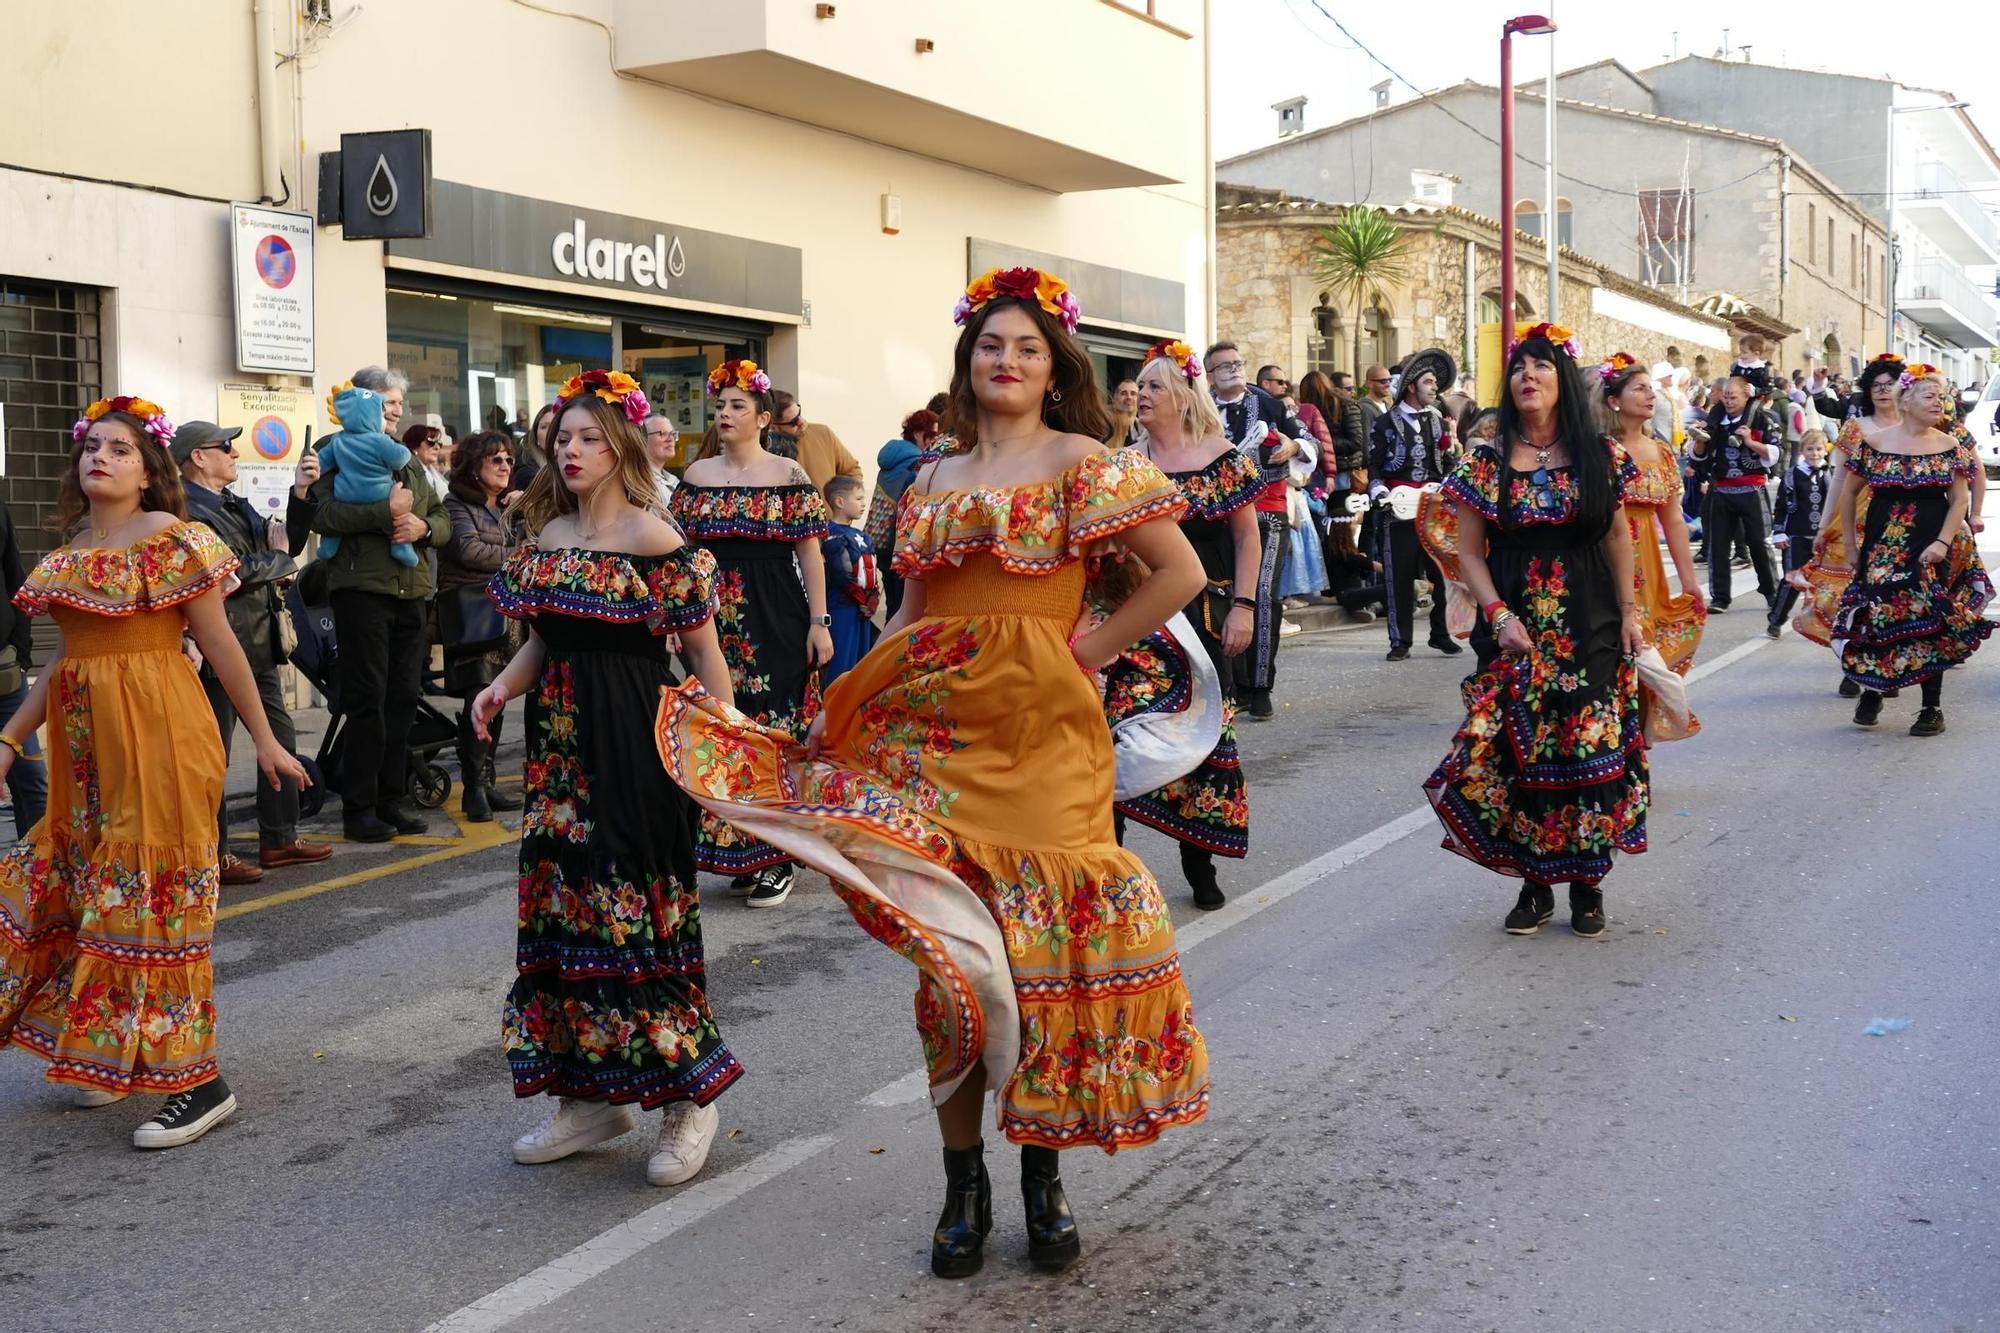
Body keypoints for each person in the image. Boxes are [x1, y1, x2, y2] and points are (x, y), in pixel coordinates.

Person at [656, 264, 1209, 1277]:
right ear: (966, 361)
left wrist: (1075, 658)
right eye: (991, 345)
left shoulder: (1085, 458)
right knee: (951, 965)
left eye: (1026, 348)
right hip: (926, 738)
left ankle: (1041, 1174)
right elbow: (912, 615)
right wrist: (842, 700)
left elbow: (1181, 572)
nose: (1005, 360)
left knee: (1035, 962)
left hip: (1043, 741)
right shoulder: (930, 478)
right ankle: (964, 1182)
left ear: (1054, 368)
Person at [0, 394, 309, 1149]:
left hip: (162, 737)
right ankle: (110, 1050)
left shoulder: (173, 536)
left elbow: (223, 643)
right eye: (91, 447)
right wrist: (10, 739)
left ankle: (200, 1082)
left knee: (152, 898)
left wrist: (266, 741)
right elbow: (66, 663)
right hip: (86, 753)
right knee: (87, 889)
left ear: (149, 471)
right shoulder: (73, 549)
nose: (98, 456)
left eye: (120, 448)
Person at [472, 369, 742, 1185]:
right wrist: (500, 686)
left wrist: (721, 746)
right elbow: (545, 641)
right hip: (558, 752)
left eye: (591, 436)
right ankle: (593, 1098)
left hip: (634, 745)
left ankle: (688, 1100)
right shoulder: (546, 533)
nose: (575, 449)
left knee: (640, 915)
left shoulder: (655, 538)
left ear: (621, 445)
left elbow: (704, 652)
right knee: (566, 912)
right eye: (564, 439)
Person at [1423, 324, 1648, 939]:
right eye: (1520, 367)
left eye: (1542, 367)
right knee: (1522, 750)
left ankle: (1587, 883)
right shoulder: (1486, 461)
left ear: (1563, 383)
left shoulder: (1602, 456)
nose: (1528, 376)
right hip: (1514, 618)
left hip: (1592, 618)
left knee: (1588, 745)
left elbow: (1616, 536)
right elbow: (1470, 553)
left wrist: (1629, 611)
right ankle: (1535, 882)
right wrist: (1498, 614)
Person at [670, 362, 833, 907]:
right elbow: (680, 555)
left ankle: (780, 854)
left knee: (775, 728)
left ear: (764, 418)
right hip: (712, 619)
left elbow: (810, 553)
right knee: (725, 726)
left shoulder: (789, 476)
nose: (725, 414)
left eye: (738, 406)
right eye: (720, 406)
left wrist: (819, 621)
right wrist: (675, 618)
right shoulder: (695, 478)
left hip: (777, 615)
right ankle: (745, 849)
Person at [1111, 340, 1261, 908]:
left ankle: (1199, 865)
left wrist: (1244, 606)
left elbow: (1248, 537)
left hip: (1200, 618)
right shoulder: (1124, 462)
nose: (1140, 394)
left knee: (1199, 738)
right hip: (1133, 622)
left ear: (1181, 392)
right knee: (1116, 736)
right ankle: (1111, 871)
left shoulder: (1221, 457)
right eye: (1139, 386)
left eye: (1153, 385)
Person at [301, 365, 451, 844]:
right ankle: (359, 807)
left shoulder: (404, 455)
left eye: (399, 403)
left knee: (404, 699)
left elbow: (441, 516)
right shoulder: (331, 449)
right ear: (363, 400)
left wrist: (424, 529)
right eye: (389, 402)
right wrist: (385, 515)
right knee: (368, 701)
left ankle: (391, 799)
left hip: (411, 591)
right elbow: (322, 514)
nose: (397, 410)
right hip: (361, 591)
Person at [174, 420, 328, 882]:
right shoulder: (184, 508)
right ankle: (213, 854)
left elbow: (285, 541)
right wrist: (279, 563)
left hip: (257, 641)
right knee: (213, 753)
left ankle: (279, 839)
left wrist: (300, 494)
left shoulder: (230, 502)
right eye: (226, 446)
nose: (235, 454)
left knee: (280, 740)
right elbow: (225, 569)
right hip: (218, 646)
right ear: (198, 457)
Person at [1825, 367, 1992, 735]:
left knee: (1931, 616)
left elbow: (1958, 499)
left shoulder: (1951, 446)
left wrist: (1942, 543)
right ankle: (1874, 688)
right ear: (1907, 401)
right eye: (1929, 396)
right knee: (1877, 614)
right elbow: (1849, 493)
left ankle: (1931, 707)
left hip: (1929, 545)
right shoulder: (1876, 443)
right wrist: (1850, 545)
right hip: (1882, 545)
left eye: (1940, 396)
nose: (1938, 402)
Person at [1598, 354, 1707, 734]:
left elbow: (1674, 520)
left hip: (1648, 565)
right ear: (1614, 399)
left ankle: (1640, 744)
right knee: (1617, 649)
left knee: (1645, 649)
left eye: (1651, 389)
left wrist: (1689, 580)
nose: (1651, 396)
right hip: (1605, 558)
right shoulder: (1597, 448)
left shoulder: (1660, 451)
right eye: (1639, 388)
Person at [1792, 354, 1905, 685]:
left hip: (1901, 521)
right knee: (1849, 593)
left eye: (1890, 385)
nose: (1882, 391)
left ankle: (1887, 660)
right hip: (1854, 519)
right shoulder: (1855, 429)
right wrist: (1825, 526)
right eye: (1875, 385)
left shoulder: (1916, 429)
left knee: (1894, 593)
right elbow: (1839, 480)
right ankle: (1853, 658)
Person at [1205, 340, 1297, 718]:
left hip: (1266, 510)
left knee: (1259, 595)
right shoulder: (1198, 405)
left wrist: (1291, 444)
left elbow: (1308, 442)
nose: (1233, 369)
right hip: (1215, 513)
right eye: (1224, 365)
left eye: (1238, 363)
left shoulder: (1270, 404)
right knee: (1220, 595)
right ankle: (1229, 686)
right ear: (1210, 375)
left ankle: (1259, 686)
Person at [438, 430, 523, 822]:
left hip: (501, 611)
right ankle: (473, 787)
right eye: (496, 460)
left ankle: (486, 782)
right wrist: (518, 554)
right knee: (479, 693)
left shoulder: (505, 506)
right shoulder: (456, 503)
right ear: (474, 468)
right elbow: (467, 550)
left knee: (497, 696)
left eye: (509, 460)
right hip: (471, 612)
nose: (506, 466)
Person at [1369, 347, 1461, 660]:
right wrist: (1378, 491)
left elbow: (1448, 462)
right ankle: (1400, 641)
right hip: (1399, 507)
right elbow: (1375, 466)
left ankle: (1441, 633)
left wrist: (1451, 486)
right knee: (1400, 574)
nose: (1435, 388)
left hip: (1435, 506)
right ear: (1412, 386)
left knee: (1443, 572)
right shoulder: (1384, 424)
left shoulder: (1438, 422)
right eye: (1430, 382)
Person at [1692, 375, 1780, 611]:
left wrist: (1750, 442)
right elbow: (1700, 457)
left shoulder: (1761, 419)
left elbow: (1775, 453)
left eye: (1734, 396)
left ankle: (1772, 592)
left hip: (1752, 488)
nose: (1729, 401)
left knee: (1759, 543)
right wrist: (1699, 442)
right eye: (1726, 396)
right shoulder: (1714, 423)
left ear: (1746, 396)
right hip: (1721, 490)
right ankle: (1720, 597)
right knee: (1718, 545)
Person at [321, 388, 420, 569]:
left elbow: (321, 463)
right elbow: (399, 460)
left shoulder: (337, 440)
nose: (395, 412)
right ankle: (401, 547)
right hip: (379, 493)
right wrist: (407, 452)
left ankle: (328, 545)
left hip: (344, 494)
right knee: (398, 517)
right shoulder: (380, 441)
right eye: (386, 408)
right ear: (370, 417)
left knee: (333, 531)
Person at [0, 499, 47, 839]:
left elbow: (15, 578)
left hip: (7, 675)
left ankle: (37, 881)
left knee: (33, 783)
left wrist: (21, 651)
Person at [870, 408, 942, 620]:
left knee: (893, 605)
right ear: (919, 434)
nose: (935, 440)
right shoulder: (917, 463)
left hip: (881, 540)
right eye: (933, 434)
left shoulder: (890, 461)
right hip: (901, 542)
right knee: (904, 611)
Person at [1767, 430, 1831, 639]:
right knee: (1792, 580)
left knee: (1826, 583)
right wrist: (1779, 532)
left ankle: (1825, 624)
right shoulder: (1793, 474)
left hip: (1822, 537)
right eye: (1810, 449)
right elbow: (1782, 505)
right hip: (1796, 535)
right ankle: (1776, 620)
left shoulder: (1830, 473)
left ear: (1825, 450)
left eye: (1819, 449)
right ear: (1802, 450)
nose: (1814, 453)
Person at [820, 475, 879, 683]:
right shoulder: (831, 533)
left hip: (862, 610)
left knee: (861, 662)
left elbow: (871, 570)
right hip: (843, 607)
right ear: (840, 502)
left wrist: (874, 599)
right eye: (859, 499)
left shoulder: (862, 535)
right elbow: (841, 573)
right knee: (842, 662)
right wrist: (863, 601)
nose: (864, 504)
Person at [767, 389, 863, 493]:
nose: (802, 422)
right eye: (794, 422)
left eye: (799, 413)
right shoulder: (763, 451)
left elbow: (852, 470)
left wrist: (845, 502)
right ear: (773, 427)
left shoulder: (823, 433)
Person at [405, 417, 452, 502]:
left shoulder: (435, 473)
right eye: (431, 442)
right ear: (415, 445)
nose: (437, 447)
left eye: (439, 443)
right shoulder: (407, 474)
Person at [643, 412, 681, 503]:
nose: (670, 439)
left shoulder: (673, 480)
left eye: (673, 434)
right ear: (642, 439)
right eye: (662, 434)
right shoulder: (639, 483)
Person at [1106, 378, 1140, 449]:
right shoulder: (1105, 426)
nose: (1129, 397)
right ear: (1113, 399)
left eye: (1133, 393)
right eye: (1123, 393)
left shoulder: (1145, 429)